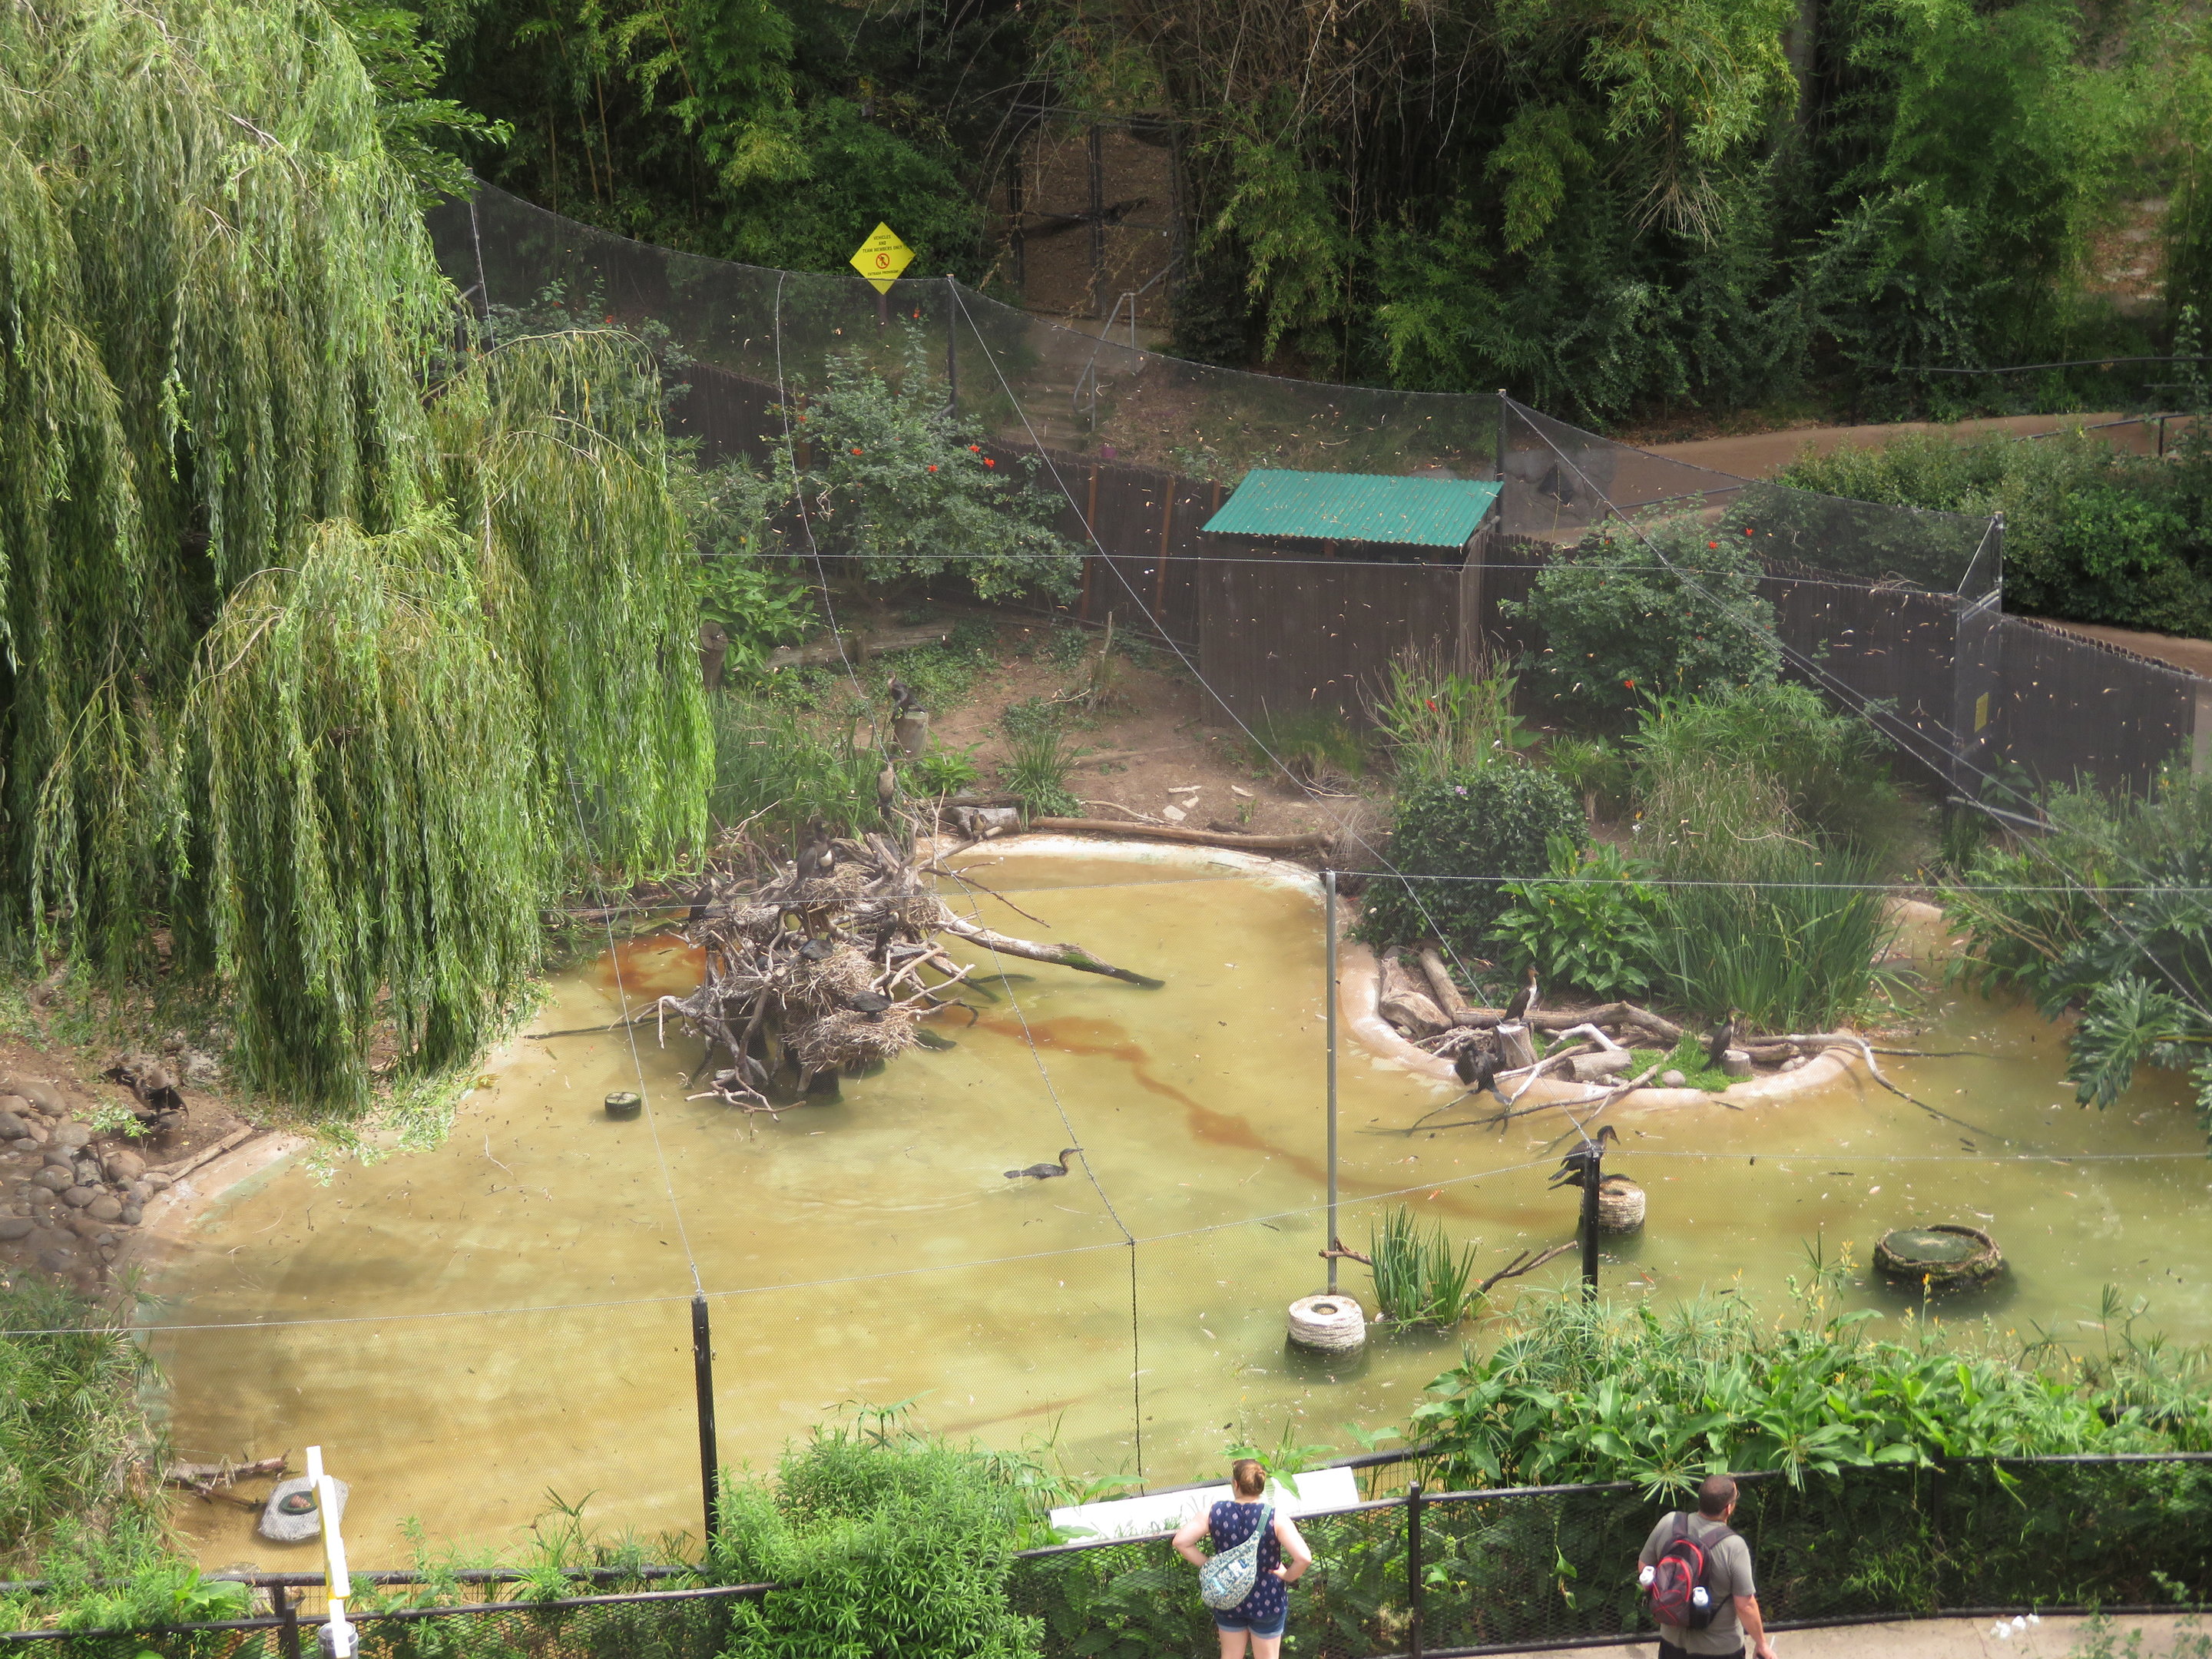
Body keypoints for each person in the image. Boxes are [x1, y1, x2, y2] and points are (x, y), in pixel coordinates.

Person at [1172, 1458, 1313, 1659]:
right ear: (1261, 1486)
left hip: (1228, 1594)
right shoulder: (1275, 1517)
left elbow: (1181, 1542)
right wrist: (1288, 1575)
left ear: (1236, 1484)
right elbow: (1304, 1558)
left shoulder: (1215, 1511)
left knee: (1230, 1656)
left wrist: (1210, 1564)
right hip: (1267, 1598)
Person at [1637, 1474, 1777, 1659]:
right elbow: (1745, 1605)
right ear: (1729, 1508)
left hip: (1672, 1641)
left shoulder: (1669, 1522)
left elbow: (1644, 1566)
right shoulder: (1734, 1546)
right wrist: (1762, 1645)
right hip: (1719, 1649)